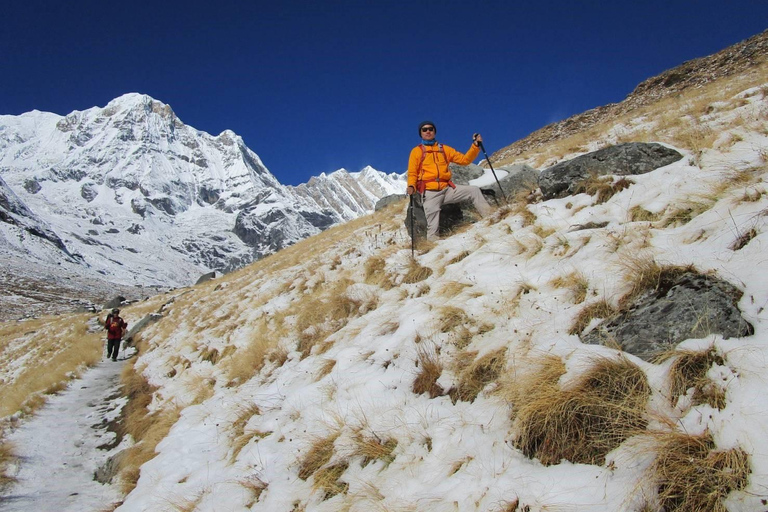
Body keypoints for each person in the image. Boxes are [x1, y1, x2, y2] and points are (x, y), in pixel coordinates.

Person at [406, 121, 492, 240]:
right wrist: (411, 186)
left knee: (474, 190)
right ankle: (433, 252)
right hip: (430, 193)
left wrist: (475, 146)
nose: (428, 131)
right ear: (420, 133)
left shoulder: (444, 149)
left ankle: (492, 219)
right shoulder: (416, 151)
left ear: (434, 131)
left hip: (448, 190)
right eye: (424, 130)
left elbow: (464, 160)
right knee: (433, 229)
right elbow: (412, 172)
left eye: (430, 129)